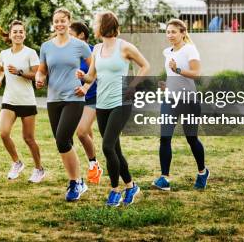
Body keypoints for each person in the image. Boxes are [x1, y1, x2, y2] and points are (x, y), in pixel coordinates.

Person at [77, 11, 150, 206]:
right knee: (115, 149)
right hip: (102, 103)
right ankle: (131, 185)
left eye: (96, 23)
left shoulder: (124, 46)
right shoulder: (97, 49)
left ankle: (115, 190)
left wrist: (132, 85)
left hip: (121, 102)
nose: (93, 26)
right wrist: (82, 77)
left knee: (107, 146)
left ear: (104, 25)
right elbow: (91, 76)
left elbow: (145, 66)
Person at [35, 8, 92, 202]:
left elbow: (95, 67)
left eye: (62, 21)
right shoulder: (46, 47)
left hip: (74, 98)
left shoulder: (79, 45)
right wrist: (39, 78)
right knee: (64, 143)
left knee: (62, 139)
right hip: (53, 99)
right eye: (56, 21)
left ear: (69, 22)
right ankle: (76, 181)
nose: (59, 24)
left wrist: (86, 86)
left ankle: (76, 182)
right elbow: (42, 70)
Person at [153, 19, 209, 191]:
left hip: (188, 101)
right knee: (165, 138)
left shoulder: (190, 49)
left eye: (173, 32)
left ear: (183, 33)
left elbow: (196, 74)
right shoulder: (167, 52)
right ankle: (164, 178)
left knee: (191, 139)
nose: (170, 35)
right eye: (168, 32)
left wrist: (178, 70)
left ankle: (202, 172)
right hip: (170, 99)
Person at [0, 20, 46, 183]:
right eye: (15, 31)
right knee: (3, 133)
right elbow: (1, 69)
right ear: (10, 35)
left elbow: (37, 74)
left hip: (27, 100)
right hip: (9, 99)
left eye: (21, 31)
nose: (18, 34)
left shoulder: (30, 53)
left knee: (28, 138)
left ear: (24, 34)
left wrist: (20, 72)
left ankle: (39, 169)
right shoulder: (4, 53)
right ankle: (17, 162)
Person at [69, 21, 103, 185]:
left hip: (93, 96)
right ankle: (94, 164)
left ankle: (94, 164)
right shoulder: (70, 51)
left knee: (81, 132)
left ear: (81, 35)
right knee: (86, 133)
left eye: (71, 34)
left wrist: (86, 87)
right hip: (76, 98)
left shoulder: (91, 51)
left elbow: (94, 74)